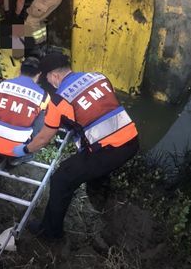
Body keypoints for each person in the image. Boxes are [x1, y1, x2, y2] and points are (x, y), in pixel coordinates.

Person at [13, 52, 139, 239]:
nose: (49, 84)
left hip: (109, 151)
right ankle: (99, 188)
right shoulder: (98, 77)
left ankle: (50, 232)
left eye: (47, 78)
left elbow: (43, 139)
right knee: (94, 166)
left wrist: (23, 149)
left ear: (54, 76)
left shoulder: (58, 100)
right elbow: (98, 108)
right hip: (132, 141)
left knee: (61, 179)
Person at [0, 57, 49, 166]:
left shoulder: (2, 85)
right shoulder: (44, 96)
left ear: (19, 70)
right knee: (44, 114)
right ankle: (24, 155)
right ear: (39, 75)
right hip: (15, 148)